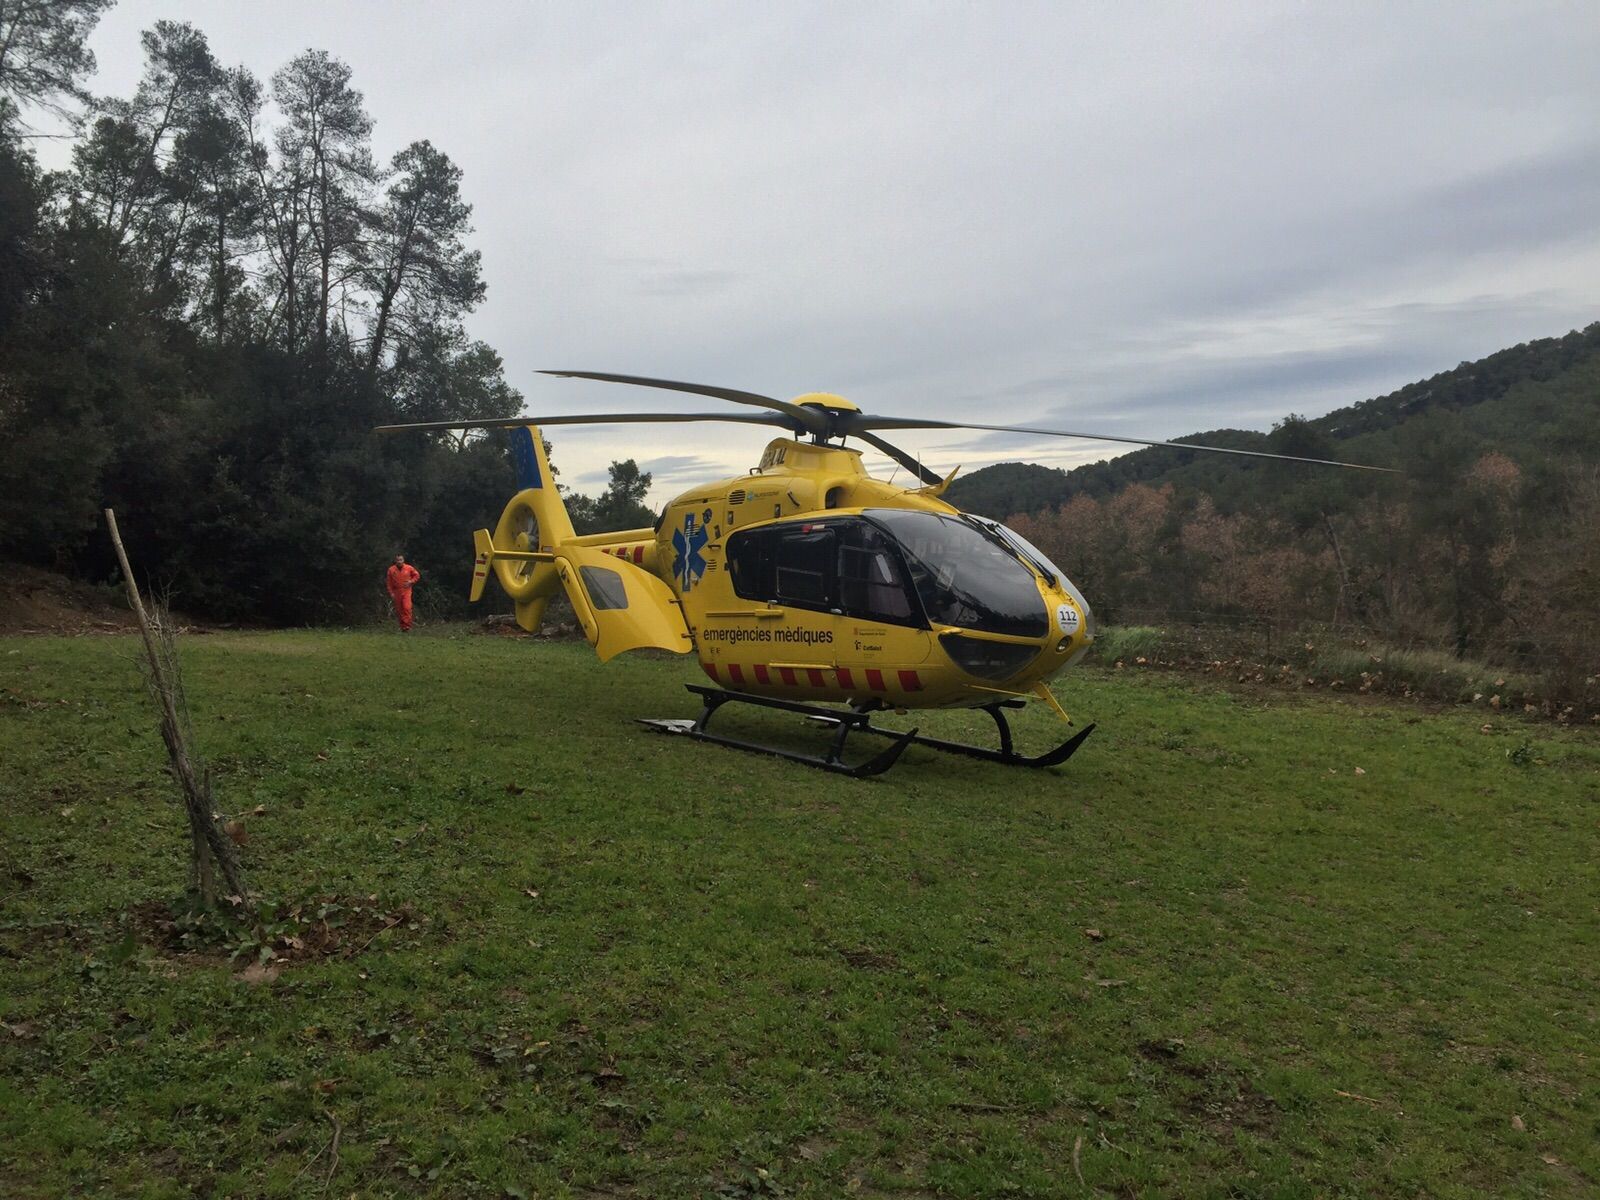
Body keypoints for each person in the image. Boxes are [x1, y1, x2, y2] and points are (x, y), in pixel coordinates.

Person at [386, 554, 421, 631]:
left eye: (400, 560)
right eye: (398, 560)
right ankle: (403, 627)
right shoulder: (391, 569)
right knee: (399, 610)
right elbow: (389, 582)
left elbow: (417, 575)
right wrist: (391, 592)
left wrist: (411, 581)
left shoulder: (409, 568)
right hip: (396, 591)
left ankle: (407, 626)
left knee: (407, 607)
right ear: (395, 560)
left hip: (406, 590)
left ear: (403, 560)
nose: (399, 561)